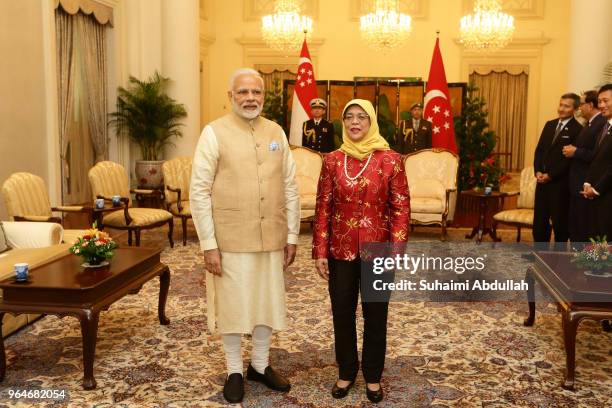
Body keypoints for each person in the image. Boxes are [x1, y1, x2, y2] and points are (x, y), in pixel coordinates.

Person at [190, 68, 300, 404]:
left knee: (267, 303)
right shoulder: (213, 133)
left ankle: (260, 365)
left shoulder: (276, 131)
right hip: (230, 239)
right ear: (231, 96)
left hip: (271, 236)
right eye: (243, 92)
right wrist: (209, 244)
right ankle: (235, 370)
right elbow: (198, 191)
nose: (250, 98)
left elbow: (290, 185)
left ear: (264, 97)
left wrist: (292, 233)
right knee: (234, 306)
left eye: (257, 93)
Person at [312, 99, 410, 403]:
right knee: (342, 313)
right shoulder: (331, 160)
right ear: (343, 123)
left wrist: (397, 248)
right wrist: (319, 250)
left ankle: (372, 376)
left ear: (371, 123)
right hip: (339, 249)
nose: (355, 122)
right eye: (349, 117)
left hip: (378, 249)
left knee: (375, 314)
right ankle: (346, 371)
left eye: (361, 117)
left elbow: (401, 206)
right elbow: (323, 207)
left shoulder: (391, 160)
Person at [533, 93, 583, 251]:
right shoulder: (549, 124)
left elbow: (569, 160)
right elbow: (539, 150)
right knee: (539, 222)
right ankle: (540, 254)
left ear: (575, 109)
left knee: (560, 223)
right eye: (560, 105)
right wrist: (538, 171)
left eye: (566, 106)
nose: (561, 109)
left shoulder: (578, 129)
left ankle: (558, 257)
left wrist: (551, 175)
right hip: (542, 182)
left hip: (560, 185)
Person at [562, 90, 606, 245]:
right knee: (576, 227)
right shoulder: (589, 123)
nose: (579, 107)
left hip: (586, 183)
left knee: (583, 229)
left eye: (581, 104)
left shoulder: (601, 123)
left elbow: (598, 155)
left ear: (590, 105)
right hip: (577, 184)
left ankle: (582, 264)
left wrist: (576, 152)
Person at [581, 84, 612, 241]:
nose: (601, 106)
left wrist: (597, 189)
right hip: (596, 195)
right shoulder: (605, 127)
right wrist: (588, 182)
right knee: (595, 237)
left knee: (606, 240)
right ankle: (594, 265)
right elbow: (597, 159)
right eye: (599, 101)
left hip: (607, 195)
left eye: (605, 101)